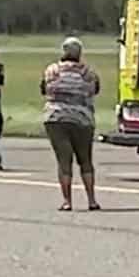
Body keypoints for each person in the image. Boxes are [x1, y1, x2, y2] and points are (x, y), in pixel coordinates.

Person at [40, 36, 101, 211]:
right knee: (85, 160)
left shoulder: (52, 70)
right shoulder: (88, 72)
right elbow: (95, 89)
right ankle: (91, 200)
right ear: (79, 53)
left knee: (64, 160)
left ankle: (67, 201)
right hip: (82, 119)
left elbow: (44, 89)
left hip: (56, 118)